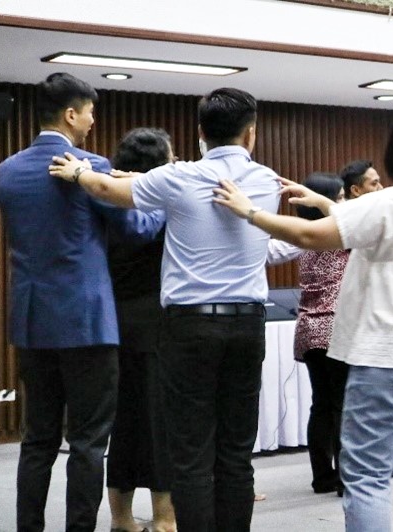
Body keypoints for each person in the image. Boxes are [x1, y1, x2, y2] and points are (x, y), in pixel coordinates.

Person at [213, 103, 393, 532]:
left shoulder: (389, 201)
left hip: (388, 358)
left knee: (365, 475)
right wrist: (324, 201)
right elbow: (367, 224)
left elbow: (310, 235)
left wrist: (249, 211)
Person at [49, 87, 280, 531]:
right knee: (235, 453)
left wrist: (79, 171)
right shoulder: (268, 182)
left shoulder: (177, 178)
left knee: (190, 452)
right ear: (251, 134)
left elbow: (106, 188)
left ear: (199, 133)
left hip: (188, 327)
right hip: (248, 325)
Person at [0, 72, 164, 532]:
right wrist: (161, 198)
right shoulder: (90, 165)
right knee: (88, 442)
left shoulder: (6, 171)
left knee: (37, 440)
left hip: (31, 321)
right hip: (87, 322)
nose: (92, 121)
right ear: (71, 114)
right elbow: (137, 230)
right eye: (90, 112)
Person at [105, 128, 176, 532]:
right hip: (155, 322)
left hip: (113, 321)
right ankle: (165, 519)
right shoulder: (159, 203)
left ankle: (121, 518)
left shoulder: (104, 194)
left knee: (124, 424)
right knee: (159, 425)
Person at [293, 173, 351, 495]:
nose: (343, 202)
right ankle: (347, 478)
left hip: (308, 330)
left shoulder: (308, 242)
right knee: (343, 404)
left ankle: (322, 476)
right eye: (339, 196)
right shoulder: (339, 238)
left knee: (322, 404)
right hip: (336, 328)